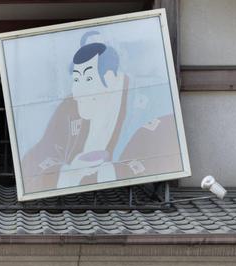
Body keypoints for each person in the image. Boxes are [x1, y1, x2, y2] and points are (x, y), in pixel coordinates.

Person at [20, 30, 183, 194]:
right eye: (76, 79)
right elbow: (36, 157)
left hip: (129, 197)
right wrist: (69, 173)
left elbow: (164, 156)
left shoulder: (150, 103)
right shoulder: (70, 107)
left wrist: (105, 173)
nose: (77, 92)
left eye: (88, 78)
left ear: (111, 77)